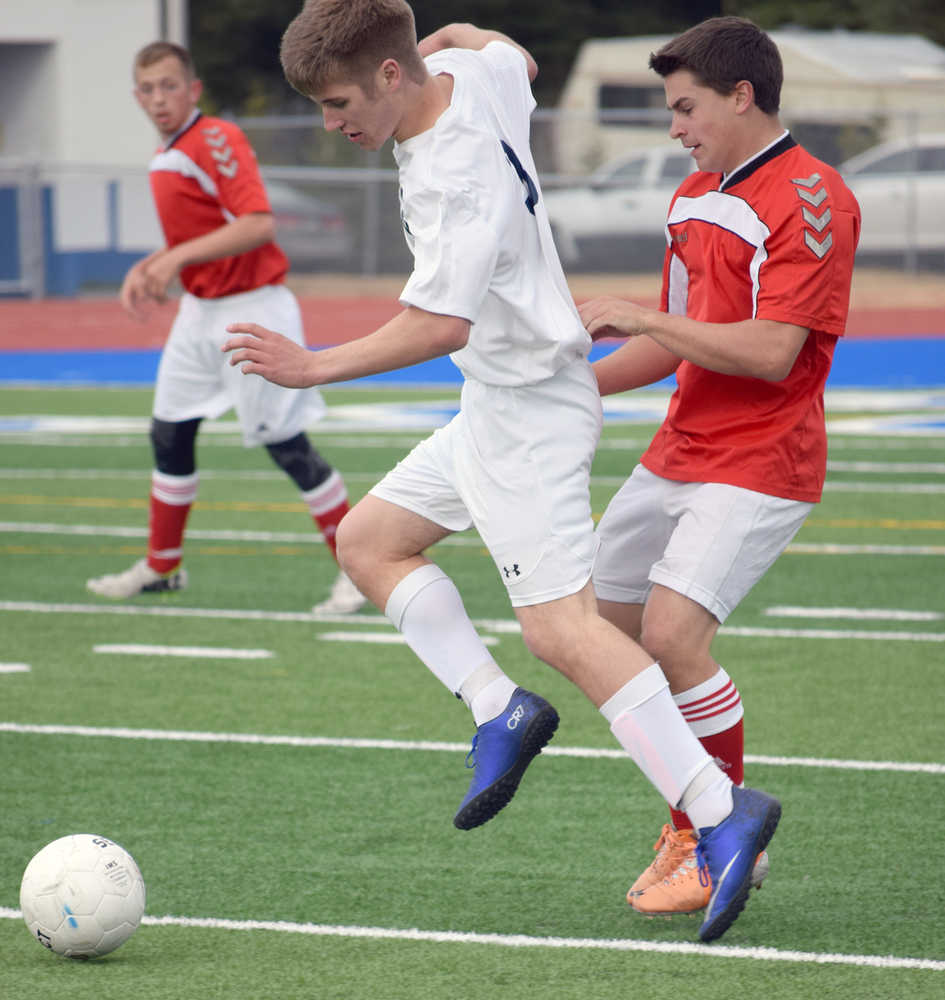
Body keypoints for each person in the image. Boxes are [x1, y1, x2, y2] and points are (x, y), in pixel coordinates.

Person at [223, 0, 781, 943]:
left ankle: (721, 815)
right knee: (368, 543)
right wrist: (434, 36)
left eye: (338, 101)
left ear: (390, 78)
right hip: (495, 404)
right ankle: (500, 711)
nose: (332, 122)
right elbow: (505, 52)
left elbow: (440, 324)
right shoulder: (469, 82)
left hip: (528, 414)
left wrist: (310, 363)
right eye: (318, 106)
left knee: (563, 631)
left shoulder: (453, 177)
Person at [578, 16, 860, 918]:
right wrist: (567, 393)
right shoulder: (692, 194)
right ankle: (692, 817)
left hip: (761, 457)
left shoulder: (814, 196)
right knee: (595, 626)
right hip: (679, 447)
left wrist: (646, 319)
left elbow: (773, 351)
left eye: (685, 106)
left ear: (742, 96)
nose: (674, 127)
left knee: (670, 640)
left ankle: (713, 833)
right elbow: (662, 349)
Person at [85, 40, 365, 616]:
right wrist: (154, 263)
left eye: (169, 86)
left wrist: (169, 261)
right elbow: (200, 233)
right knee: (169, 434)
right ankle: (162, 568)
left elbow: (259, 223)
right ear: (136, 97)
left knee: (287, 446)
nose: (158, 98)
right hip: (200, 312)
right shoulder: (168, 151)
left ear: (193, 90)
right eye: (147, 89)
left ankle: (358, 570)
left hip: (251, 309)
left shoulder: (213, 137)